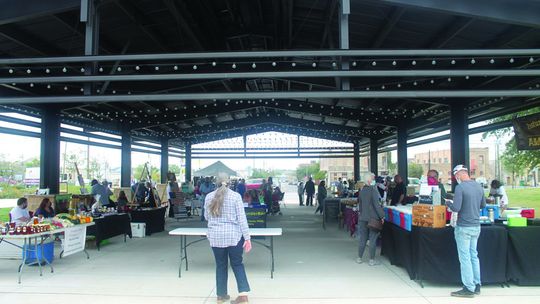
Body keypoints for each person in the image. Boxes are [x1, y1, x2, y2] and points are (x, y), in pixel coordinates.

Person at [204, 175, 252, 304]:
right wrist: (247, 238)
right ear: (230, 183)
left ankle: (221, 296)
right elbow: (242, 219)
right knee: (237, 264)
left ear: (215, 183)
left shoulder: (209, 197)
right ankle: (243, 296)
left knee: (220, 265)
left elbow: (206, 217)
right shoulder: (235, 196)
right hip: (234, 237)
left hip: (215, 237)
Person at [446, 165, 486, 298]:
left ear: (459, 175)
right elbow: (483, 205)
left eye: (456, 176)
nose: (456, 178)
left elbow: (456, 208)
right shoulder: (478, 186)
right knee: (474, 255)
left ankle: (468, 288)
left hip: (463, 226)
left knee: (465, 258)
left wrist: (448, 203)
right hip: (476, 225)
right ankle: (477, 284)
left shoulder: (460, 187)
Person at [356, 173, 385, 266]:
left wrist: (362, 213)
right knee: (372, 239)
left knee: (363, 239)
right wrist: (382, 216)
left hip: (362, 218)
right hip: (373, 219)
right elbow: (377, 205)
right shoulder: (373, 190)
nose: (374, 180)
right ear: (369, 180)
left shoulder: (362, 190)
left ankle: (359, 258)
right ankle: (371, 260)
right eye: (373, 178)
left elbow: (360, 205)